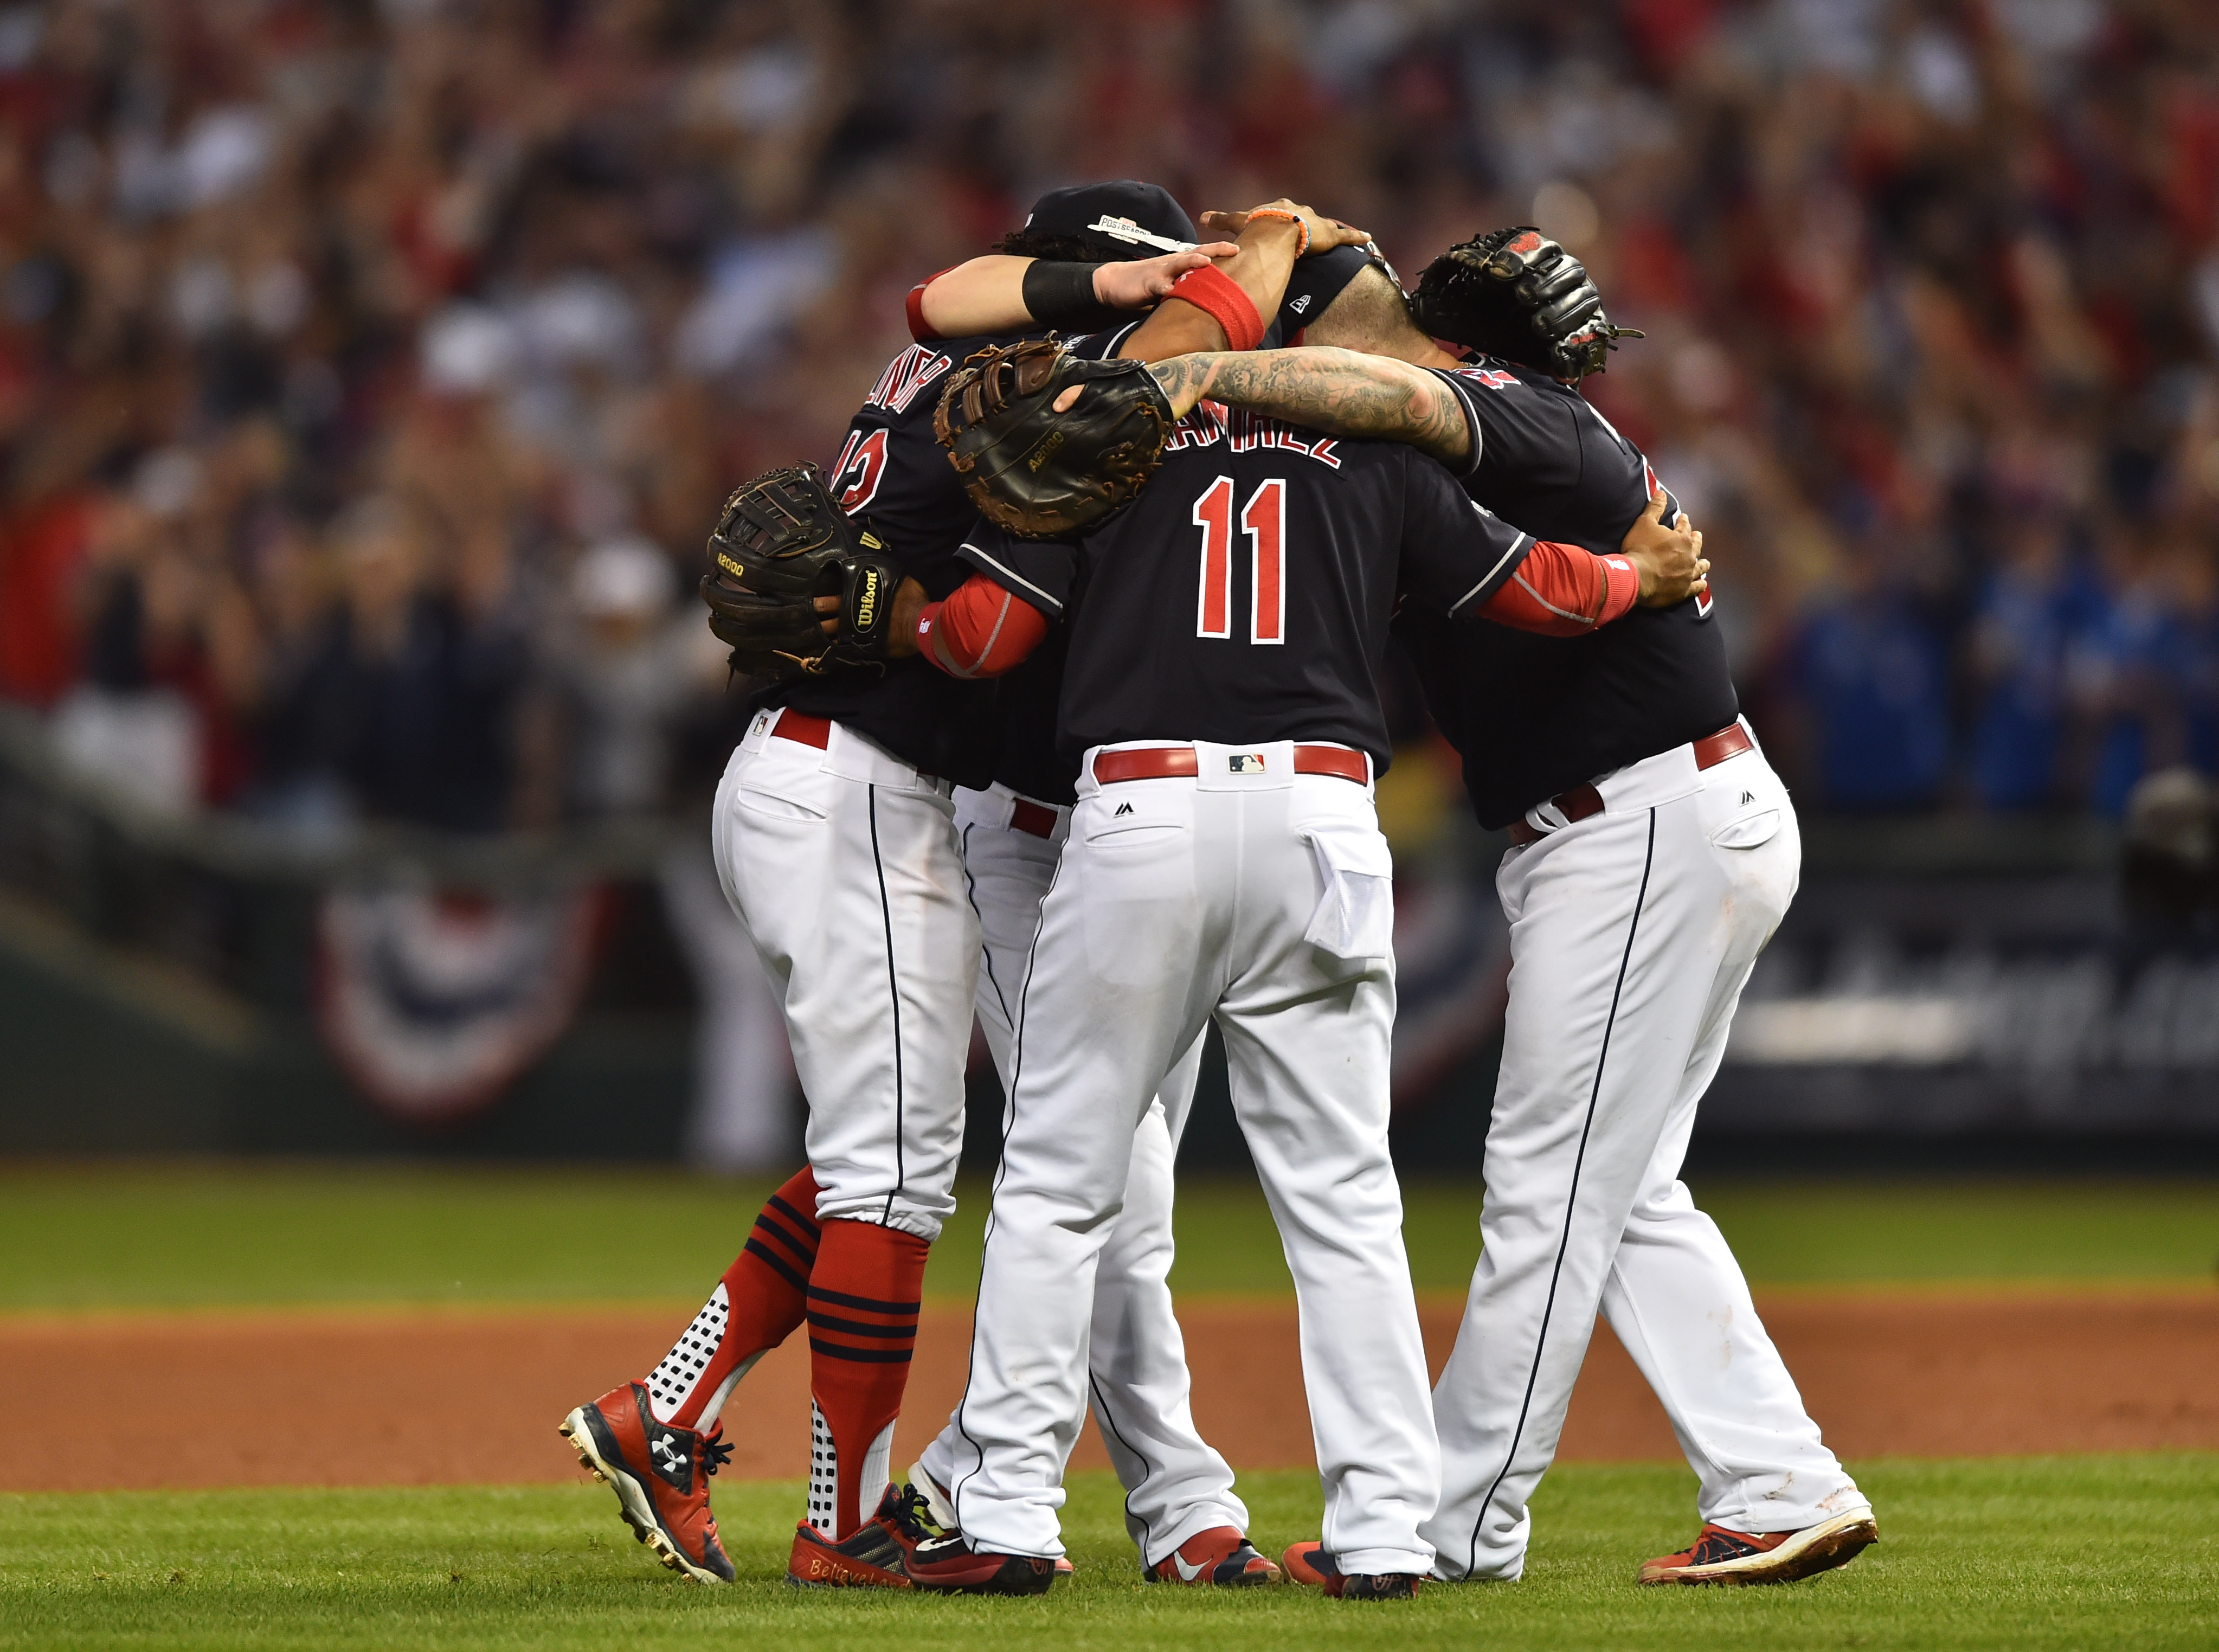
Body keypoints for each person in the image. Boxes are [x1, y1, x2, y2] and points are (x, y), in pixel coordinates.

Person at [555, 181, 1351, 1590]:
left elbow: (944, 300)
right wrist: (1261, 250)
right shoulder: (1049, 394)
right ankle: (898, 1516)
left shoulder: (967, 356)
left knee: (906, 1147)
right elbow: (983, 629)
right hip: (904, 790)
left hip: (890, 786)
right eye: (1147, 273)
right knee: (972, 1169)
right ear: (1118, 273)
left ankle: (685, 1410)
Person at [889, 329, 1704, 1598]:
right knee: (1343, 1199)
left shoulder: (1118, 425)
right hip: (1320, 824)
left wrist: (894, 616)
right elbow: (1530, 589)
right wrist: (1633, 578)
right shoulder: (1370, 441)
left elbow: (992, 627)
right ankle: (1384, 1531)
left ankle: (1003, 1514)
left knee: (1056, 1183)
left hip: (1141, 812)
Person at [1129, 229, 1879, 1587]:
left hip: (1640, 818)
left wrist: (1199, 380)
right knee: (1623, 1185)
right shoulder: (1496, 438)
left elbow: (1403, 397)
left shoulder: (1525, 416)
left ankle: (1455, 1523)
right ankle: (1778, 1480)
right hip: (1650, 818)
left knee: (1546, 1187)